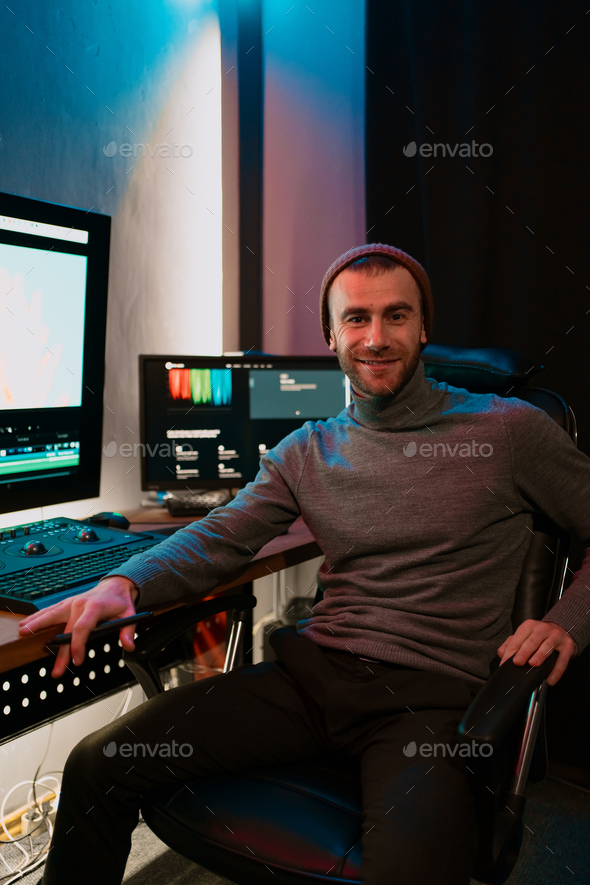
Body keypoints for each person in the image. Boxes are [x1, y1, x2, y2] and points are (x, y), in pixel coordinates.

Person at [20, 243, 588, 885]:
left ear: (424, 327)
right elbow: (221, 536)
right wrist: (124, 584)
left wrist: (567, 621)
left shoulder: (508, 431)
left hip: (430, 704)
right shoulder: (306, 451)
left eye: (396, 316)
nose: (376, 338)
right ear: (330, 335)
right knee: (100, 762)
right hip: (311, 680)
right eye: (356, 319)